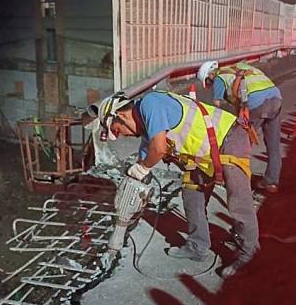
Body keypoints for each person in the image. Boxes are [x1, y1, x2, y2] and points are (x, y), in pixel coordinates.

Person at [96, 90, 259, 277]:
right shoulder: (148, 127)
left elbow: (158, 149)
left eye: (118, 130)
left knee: (239, 202)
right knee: (191, 194)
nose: (123, 135)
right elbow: (145, 157)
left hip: (229, 138)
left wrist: (143, 168)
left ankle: (249, 254)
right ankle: (198, 246)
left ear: (122, 115)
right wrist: (132, 182)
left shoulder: (150, 104)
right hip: (205, 154)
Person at [198, 60, 283, 194]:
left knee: (239, 145)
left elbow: (216, 108)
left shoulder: (219, 78)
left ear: (210, 75)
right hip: (275, 97)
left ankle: (239, 184)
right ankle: (271, 182)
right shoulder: (239, 67)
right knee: (273, 144)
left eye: (208, 83)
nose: (210, 86)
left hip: (256, 103)